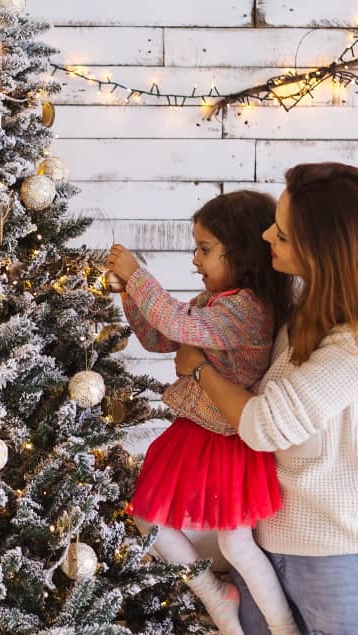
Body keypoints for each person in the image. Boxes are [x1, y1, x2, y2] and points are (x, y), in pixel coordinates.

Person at [174, 163, 358, 635]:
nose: (268, 234)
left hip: (339, 556)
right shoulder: (301, 313)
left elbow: (264, 424)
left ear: (326, 250)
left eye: (285, 234)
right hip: (268, 542)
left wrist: (198, 369)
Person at [106, 190, 297, 635]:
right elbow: (159, 338)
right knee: (148, 515)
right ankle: (215, 595)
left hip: (229, 434)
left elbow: (177, 324)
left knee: (236, 540)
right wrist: (129, 293)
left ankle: (283, 627)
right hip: (199, 430)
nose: (195, 260)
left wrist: (139, 275)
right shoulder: (216, 302)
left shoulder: (245, 308)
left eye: (205, 249)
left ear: (244, 253)